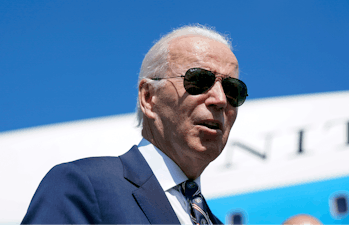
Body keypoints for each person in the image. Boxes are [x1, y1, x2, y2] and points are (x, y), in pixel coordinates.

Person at [21, 24, 248, 225]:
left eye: (232, 90)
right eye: (199, 80)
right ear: (149, 98)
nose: (220, 99)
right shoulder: (84, 186)